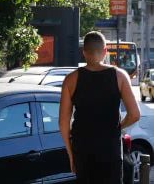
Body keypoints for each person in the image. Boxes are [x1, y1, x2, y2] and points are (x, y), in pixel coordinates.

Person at [59, 31, 140, 184]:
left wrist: (71, 155)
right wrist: (118, 126)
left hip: (83, 150)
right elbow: (135, 114)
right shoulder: (120, 76)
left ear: (84, 53)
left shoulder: (71, 80)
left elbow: (63, 122)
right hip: (110, 150)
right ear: (105, 52)